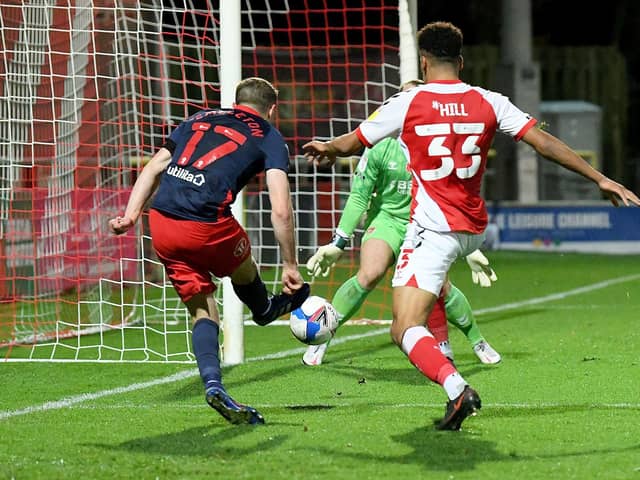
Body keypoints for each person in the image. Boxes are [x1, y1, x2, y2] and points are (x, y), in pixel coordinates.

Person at [303, 21, 640, 431]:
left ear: (423, 61)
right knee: (429, 295)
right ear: (460, 61)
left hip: (434, 227)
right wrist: (600, 178)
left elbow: (351, 144)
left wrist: (326, 146)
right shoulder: (489, 101)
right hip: (474, 227)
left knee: (404, 326)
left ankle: (457, 387)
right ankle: (456, 357)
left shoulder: (409, 102)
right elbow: (544, 142)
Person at [109, 77, 310, 425]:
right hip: (206, 225)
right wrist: (290, 264)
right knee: (242, 259)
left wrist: (130, 215)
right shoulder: (269, 136)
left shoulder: (198, 117)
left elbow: (155, 165)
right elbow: (281, 209)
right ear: (272, 109)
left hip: (161, 222)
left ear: (235, 102)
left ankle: (214, 385)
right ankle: (263, 307)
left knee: (203, 311)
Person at [304, 79, 501, 367]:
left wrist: (468, 247)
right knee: (369, 274)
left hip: (424, 223)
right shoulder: (379, 147)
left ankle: (477, 340)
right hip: (386, 220)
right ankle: (324, 336)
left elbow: (454, 196)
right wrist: (339, 241)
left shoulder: (434, 147)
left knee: (441, 287)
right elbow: (359, 197)